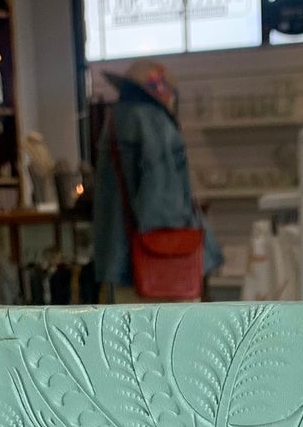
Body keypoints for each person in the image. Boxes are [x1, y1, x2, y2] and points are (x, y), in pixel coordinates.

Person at [93, 59, 221, 297]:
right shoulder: (153, 123)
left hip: (119, 258)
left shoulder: (115, 120)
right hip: (158, 263)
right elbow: (162, 203)